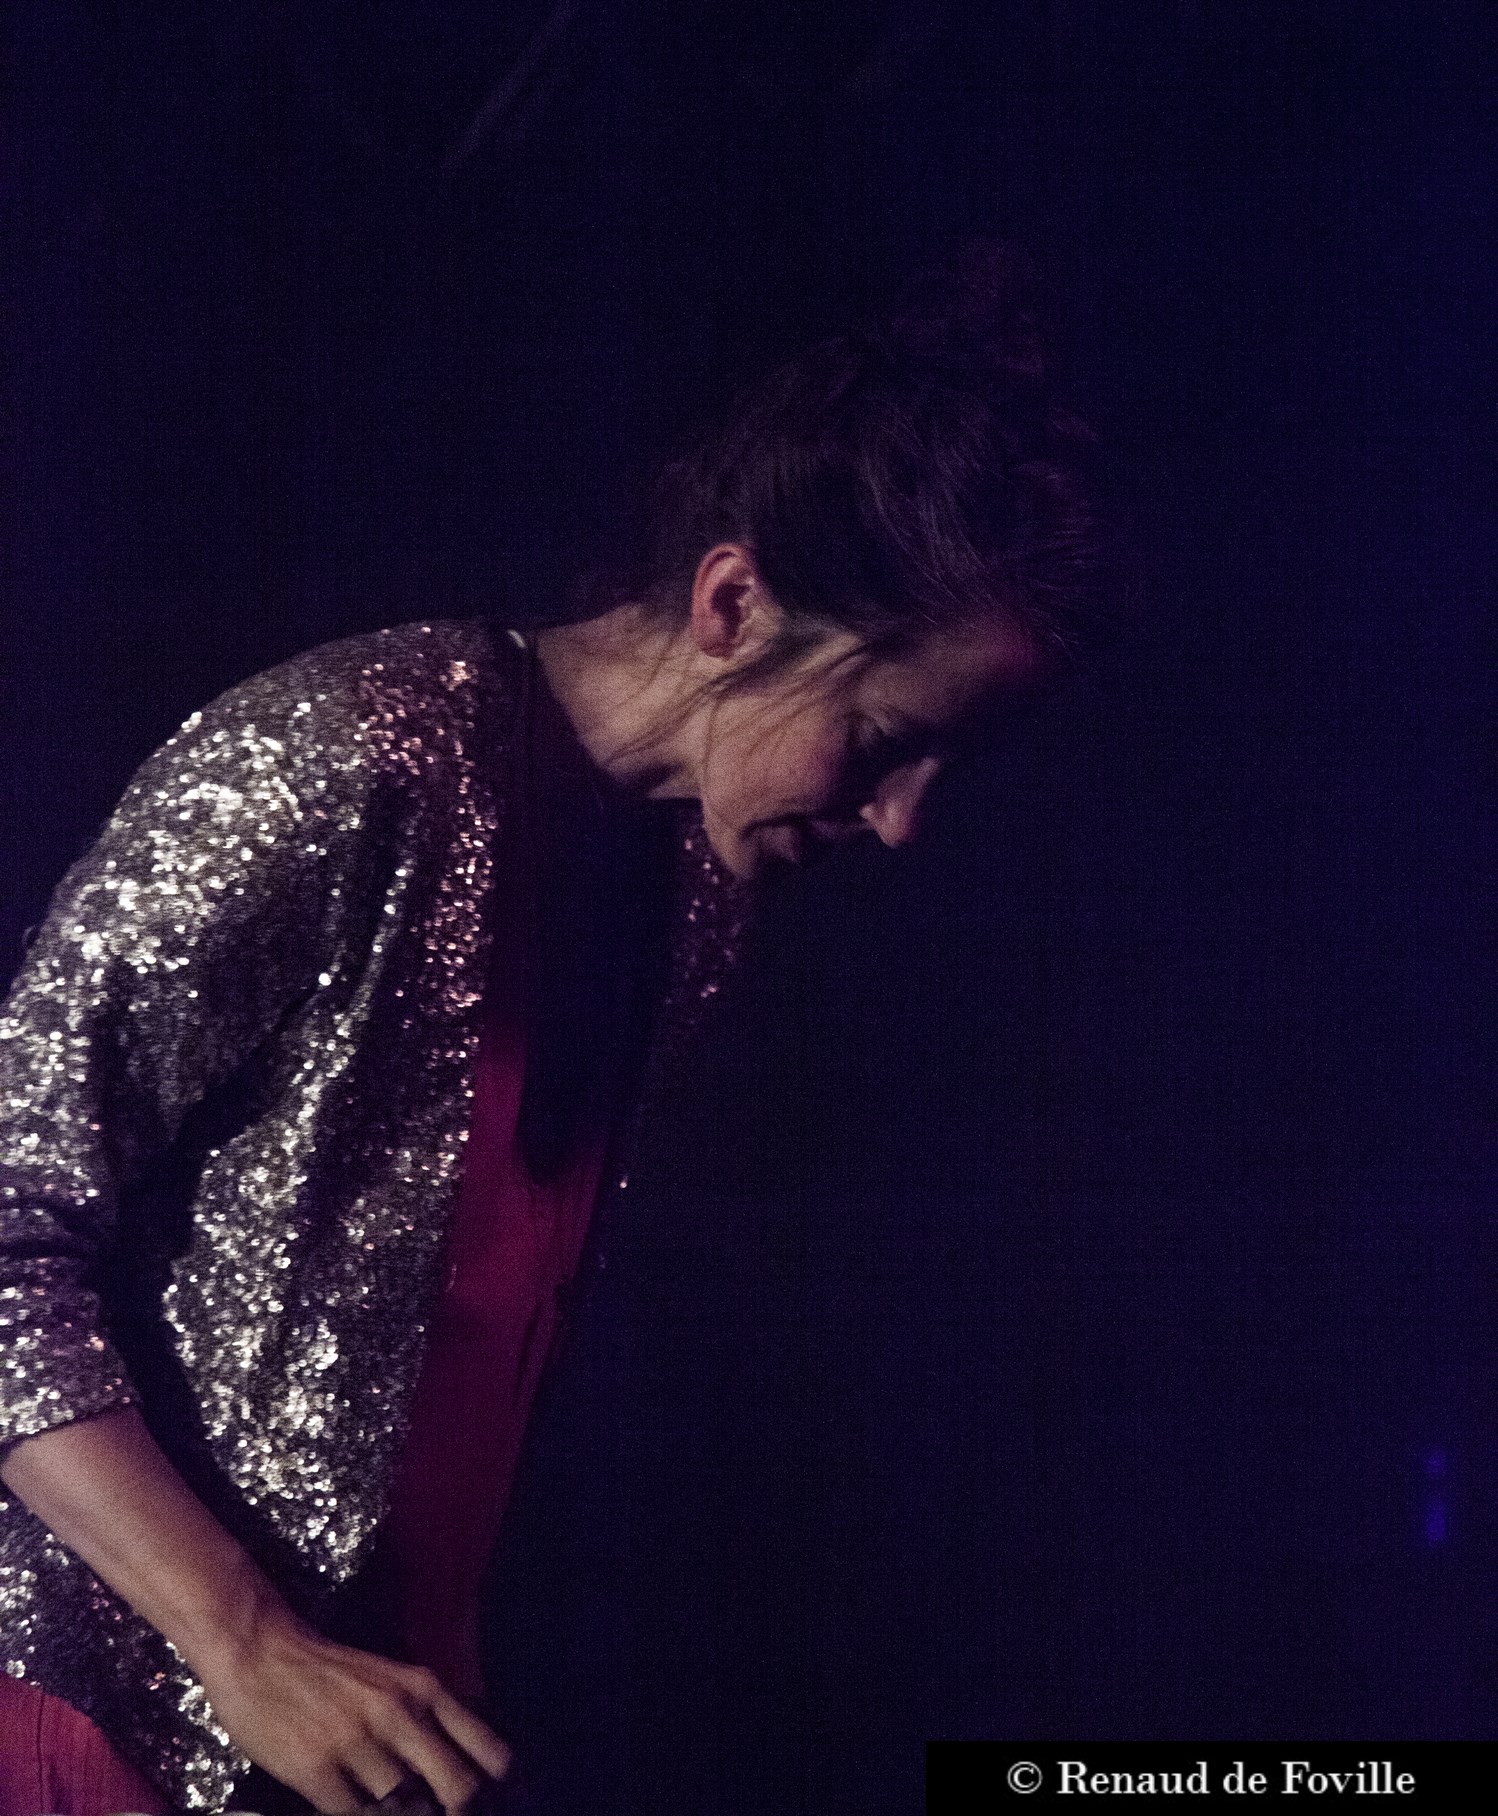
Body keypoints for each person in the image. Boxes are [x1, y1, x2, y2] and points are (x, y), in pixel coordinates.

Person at [0, 245, 1098, 1814]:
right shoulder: (344, 760)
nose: (903, 819)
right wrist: (242, 1639)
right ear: (733, 602)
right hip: (94, 1717)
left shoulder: (696, 888)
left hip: (357, 1735)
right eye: (883, 738)